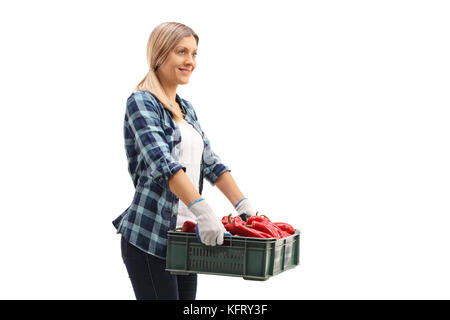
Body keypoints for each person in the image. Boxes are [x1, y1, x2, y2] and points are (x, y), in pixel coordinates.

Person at [112, 22, 259, 300]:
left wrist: (246, 208)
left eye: (194, 53)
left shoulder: (185, 108)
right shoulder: (141, 102)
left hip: (185, 240)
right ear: (160, 54)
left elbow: (211, 162)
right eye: (181, 52)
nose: (190, 61)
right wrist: (204, 211)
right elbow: (162, 163)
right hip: (150, 239)